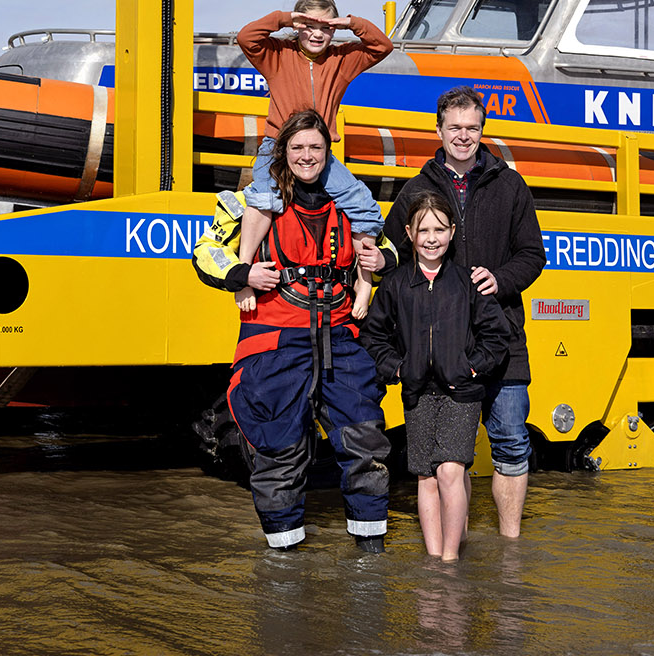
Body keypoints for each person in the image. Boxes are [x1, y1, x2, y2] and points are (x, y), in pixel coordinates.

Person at [193, 109, 394, 552]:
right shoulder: (247, 204)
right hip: (274, 342)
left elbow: (387, 247)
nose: (307, 156)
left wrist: (384, 262)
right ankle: (283, 562)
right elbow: (206, 252)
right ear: (283, 152)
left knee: (365, 443)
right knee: (279, 450)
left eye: (316, 148)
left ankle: (371, 556)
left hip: (340, 338)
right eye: (298, 147)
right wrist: (242, 274)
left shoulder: (351, 202)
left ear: (327, 152)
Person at [382, 85, 546, 538]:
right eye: (454, 127)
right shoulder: (417, 189)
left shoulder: (510, 185)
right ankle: (460, 546)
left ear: (482, 131)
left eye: (472, 128)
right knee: (450, 456)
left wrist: (502, 279)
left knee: (512, 440)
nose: (463, 136)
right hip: (444, 345)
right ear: (438, 130)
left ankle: (510, 546)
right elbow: (393, 254)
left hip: (504, 333)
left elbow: (533, 254)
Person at [361, 191, 512, 561]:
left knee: (449, 471)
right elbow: (373, 335)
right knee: (425, 477)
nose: (432, 238)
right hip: (415, 392)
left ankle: (450, 560)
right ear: (410, 233)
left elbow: (497, 334)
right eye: (424, 230)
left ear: (452, 232)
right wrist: (396, 368)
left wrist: (472, 366)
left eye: (440, 229)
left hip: (462, 392)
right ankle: (433, 561)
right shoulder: (396, 284)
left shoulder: (467, 282)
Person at [233, 0, 393, 311]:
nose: (317, 33)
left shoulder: (342, 59)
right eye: (309, 25)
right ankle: (244, 276)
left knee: (364, 208)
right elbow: (245, 37)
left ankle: (363, 283)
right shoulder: (277, 53)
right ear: (297, 27)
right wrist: (285, 19)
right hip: (278, 147)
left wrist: (350, 23)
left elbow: (382, 46)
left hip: (321, 155)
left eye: (325, 27)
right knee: (262, 200)